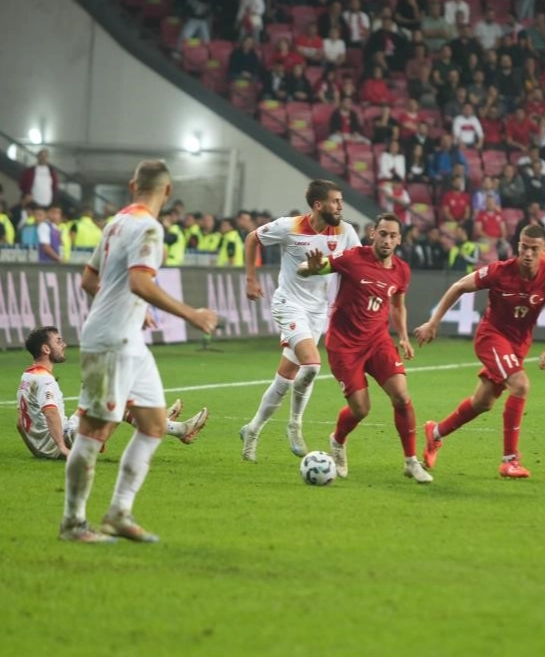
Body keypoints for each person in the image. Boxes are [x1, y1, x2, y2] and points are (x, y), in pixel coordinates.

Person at [61, 160, 218, 544]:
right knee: (93, 431)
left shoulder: (116, 223)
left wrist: (131, 307)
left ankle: (118, 513)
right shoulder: (149, 227)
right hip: (111, 340)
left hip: (128, 338)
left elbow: (89, 279)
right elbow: (139, 282)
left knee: (154, 425)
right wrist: (192, 314)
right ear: (168, 191)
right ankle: (73, 523)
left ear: (133, 185)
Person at [413, 224, 545, 478]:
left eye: (534, 249)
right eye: (524, 247)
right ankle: (510, 460)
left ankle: (435, 433)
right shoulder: (500, 271)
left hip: (518, 345)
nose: (528, 253)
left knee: (483, 402)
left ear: (543, 250)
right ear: (518, 246)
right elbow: (459, 286)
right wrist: (433, 322)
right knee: (520, 385)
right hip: (491, 337)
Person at [297, 214, 432, 484]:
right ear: (373, 234)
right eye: (383, 234)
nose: (387, 240)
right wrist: (309, 268)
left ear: (399, 240)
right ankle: (337, 440)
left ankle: (411, 461)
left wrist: (403, 337)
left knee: (401, 396)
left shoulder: (402, 270)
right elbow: (309, 268)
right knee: (361, 409)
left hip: (378, 341)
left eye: (392, 236)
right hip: (344, 345)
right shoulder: (352, 258)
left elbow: (397, 306)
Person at [240, 180, 361, 462]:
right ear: (318, 205)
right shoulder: (289, 226)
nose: (340, 206)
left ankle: (252, 430)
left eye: (341, 201)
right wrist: (250, 279)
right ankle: (295, 425)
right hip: (289, 305)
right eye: (335, 201)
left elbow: (358, 263)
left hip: (318, 312)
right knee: (312, 366)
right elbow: (252, 238)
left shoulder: (345, 231)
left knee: (285, 379)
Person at [17, 326, 208, 460]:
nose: (64, 345)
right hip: (65, 441)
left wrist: (38, 449)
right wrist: (61, 448)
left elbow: (20, 424)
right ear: (46, 349)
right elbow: (50, 413)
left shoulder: (28, 376)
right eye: (58, 341)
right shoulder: (45, 380)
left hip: (56, 438)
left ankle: (160, 421)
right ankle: (175, 428)